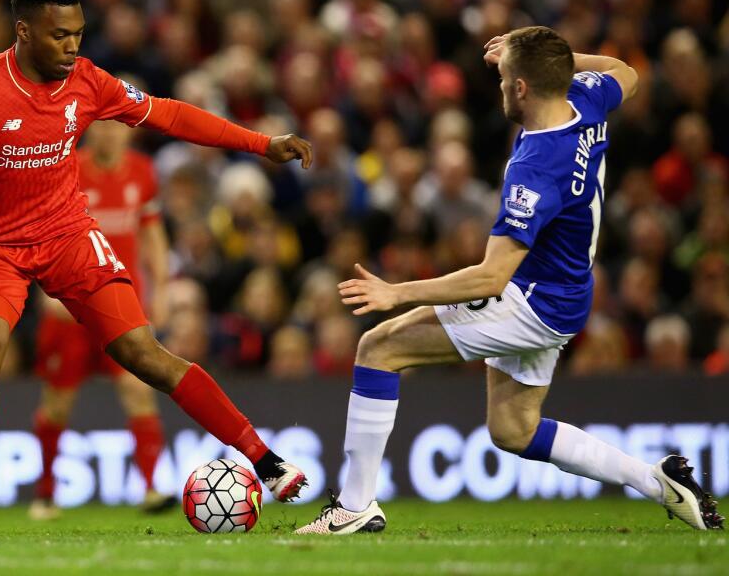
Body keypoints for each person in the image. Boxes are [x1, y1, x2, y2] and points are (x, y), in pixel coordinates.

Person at [0, 0, 314, 538]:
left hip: (66, 236)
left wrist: (260, 143)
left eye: (78, 34)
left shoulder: (88, 81)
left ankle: (266, 460)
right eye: (59, 34)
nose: (71, 46)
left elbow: (169, 113)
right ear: (23, 31)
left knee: (145, 355)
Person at [296, 26, 724, 535]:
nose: (499, 85)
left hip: (531, 300)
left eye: (504, 77)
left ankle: (355, 504)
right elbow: (625, 72)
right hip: (565, 291)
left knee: (379, 346)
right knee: (513, 430)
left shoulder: (535, 169)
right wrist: (547, 59)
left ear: (521, 88)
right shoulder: (585, 98)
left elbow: (491, 276)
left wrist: (398, 292)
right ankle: (661, 483)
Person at [28, 119, 174, 520]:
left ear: (130, 131)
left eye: (119, 126)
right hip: (71, 307)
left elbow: (152, 233)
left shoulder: (143, 172)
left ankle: (150, 487)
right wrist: (44, 287)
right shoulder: (65, 168)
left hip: (120, 305)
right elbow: (38, 229)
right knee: (58, 403)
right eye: (103, 126)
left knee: (139, 390)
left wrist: (162, 288)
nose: (110, 133)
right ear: (89, 129)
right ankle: (45, 493)